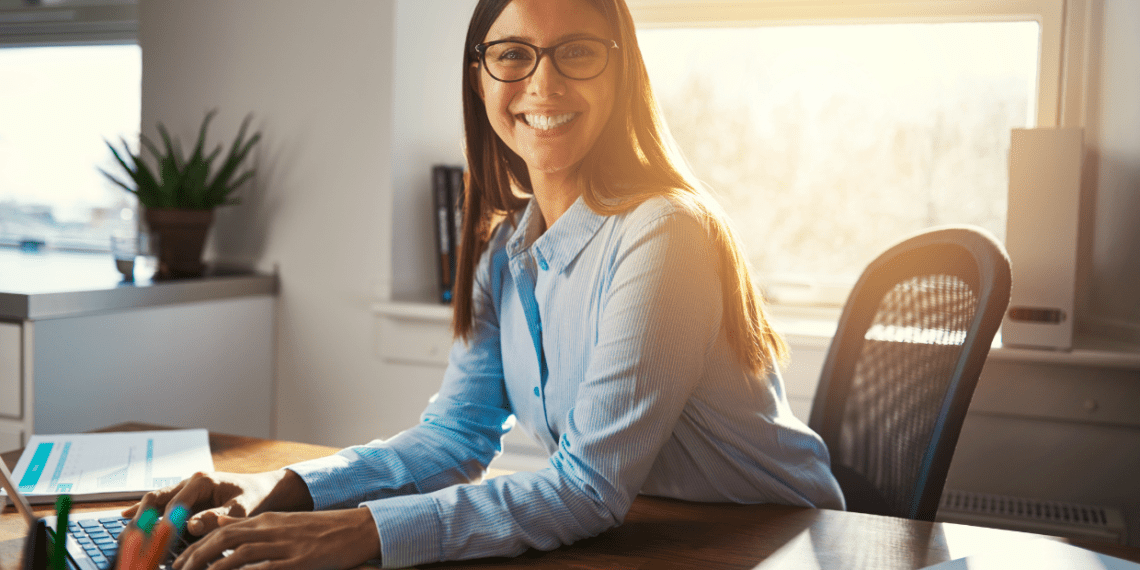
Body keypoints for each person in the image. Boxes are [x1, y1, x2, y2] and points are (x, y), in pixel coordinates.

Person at [127, 0, 845, 568]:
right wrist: (281, 493)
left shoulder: (666, 233)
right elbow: (454, 438)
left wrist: (363, 532)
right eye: (512, 55)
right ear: (480, 77)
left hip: (782, 543)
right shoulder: (503, 247)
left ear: (622, 73)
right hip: (658, 534)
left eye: (579, 53)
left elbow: (587, 490)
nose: (544, 83)